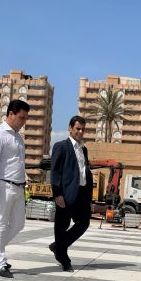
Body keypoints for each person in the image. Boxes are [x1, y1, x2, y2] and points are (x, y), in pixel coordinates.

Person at [0, 99, 29, 278]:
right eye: (21, 118)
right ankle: (0, 263)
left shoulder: (18, 137)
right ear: (10, 114)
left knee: (18, 224)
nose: (23, 122)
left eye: (25, 119)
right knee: (0, 225)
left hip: (18, 187)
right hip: (2, 185)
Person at [49, 116, 93, 272]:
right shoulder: (61, 146)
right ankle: (63, 258)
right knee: (61, 226)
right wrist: (57, 194)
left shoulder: (83, 149)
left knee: (84, 223)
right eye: (77, 129)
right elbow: (55, 172)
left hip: (81, 194)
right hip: (66, 194)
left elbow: (84, 172)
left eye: (82, 129)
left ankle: (58, 246)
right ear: (70, 128)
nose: (80, 132)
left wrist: (89, 197)